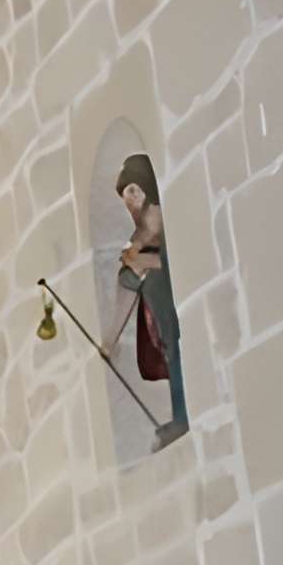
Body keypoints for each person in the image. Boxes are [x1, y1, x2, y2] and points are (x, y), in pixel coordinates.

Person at [99, 155, 190, 449]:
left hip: (176, 312)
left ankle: (184, 416)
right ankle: (180, 416)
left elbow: (165, 255)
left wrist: (142, 258)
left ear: (142, 189)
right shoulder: (139, 237)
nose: (129, 202)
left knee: (178, 355)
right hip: (161, 319)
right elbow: (127, 284)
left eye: (130, 193)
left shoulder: (160, 217)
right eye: (126, 195)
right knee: (171, 354)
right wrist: (110, 341)